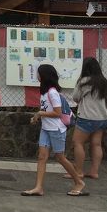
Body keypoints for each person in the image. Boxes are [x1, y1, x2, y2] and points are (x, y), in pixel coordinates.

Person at [21, 64, 86, 197]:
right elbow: (47, 110)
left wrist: (40, 114)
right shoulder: (45, 93)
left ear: (44, 76)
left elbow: (57, 113)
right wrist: (38, 116)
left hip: (56, 129)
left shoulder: (52, 92)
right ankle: (38, 187)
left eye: (39, 73)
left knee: (60, 157)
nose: (37, 76)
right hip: (46, 128)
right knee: (42, 157)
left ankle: (79, 182)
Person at [65, 57, 107, 180]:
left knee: (78, 142)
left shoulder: (83, 82)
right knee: (96, 144)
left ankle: (78, 172)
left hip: (87, 117)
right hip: (103, 118)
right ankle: (94, 172)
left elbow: (75, 98)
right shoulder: (104, 82)